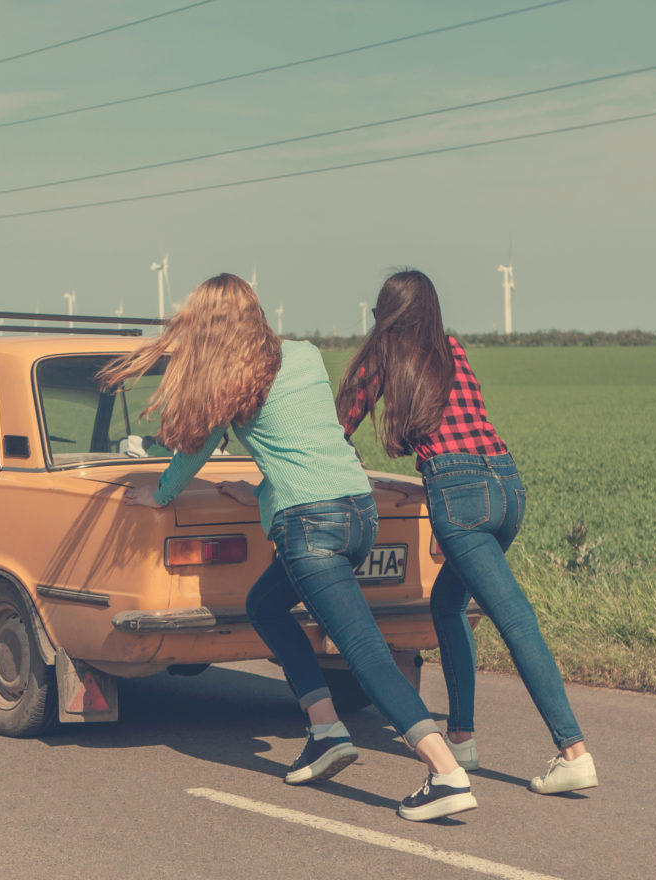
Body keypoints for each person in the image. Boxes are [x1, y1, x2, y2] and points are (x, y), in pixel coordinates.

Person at [99, 273, 477, 822]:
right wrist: (260, 488)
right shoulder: (304, 355)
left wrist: (157, 494)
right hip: (356, 510)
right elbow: (306, 440)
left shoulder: (229, 385)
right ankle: (325, 729)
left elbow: (190, 458)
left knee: (364, 651)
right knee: (265, 606)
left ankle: (444, 772)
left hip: (309, 527)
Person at [335, 269, 598, 796]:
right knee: (448, 604)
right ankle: (461, 736)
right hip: (506, 486)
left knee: (513, 617)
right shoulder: (450, 346)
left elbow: (339, 424)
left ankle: (573, 751)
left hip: (458, 493)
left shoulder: (383, 353)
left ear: (385, 313)